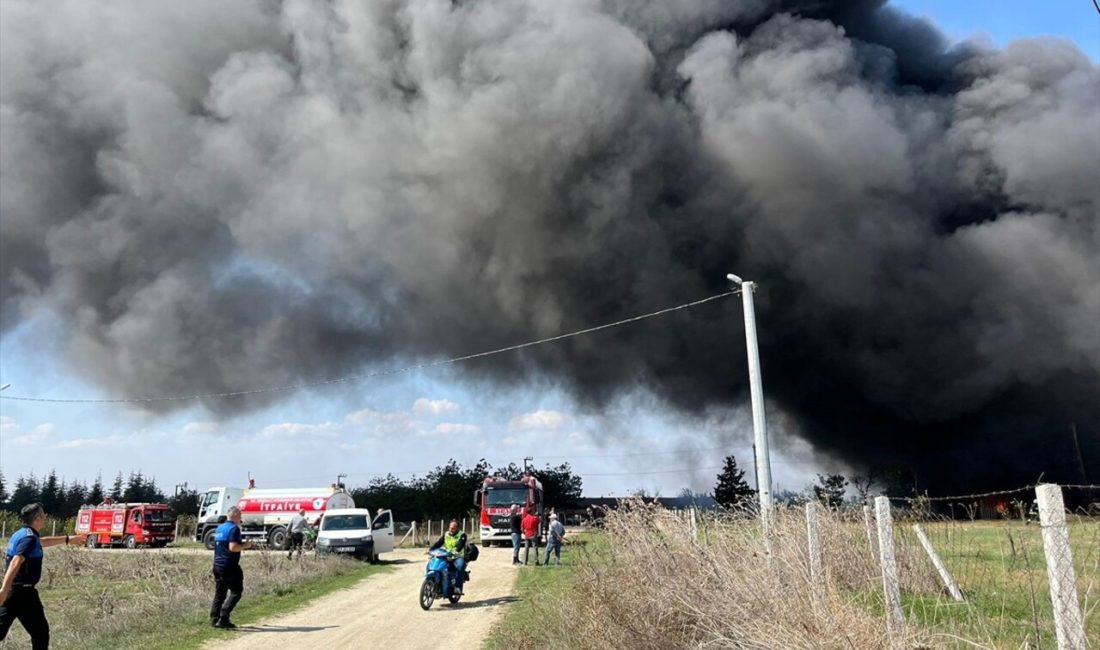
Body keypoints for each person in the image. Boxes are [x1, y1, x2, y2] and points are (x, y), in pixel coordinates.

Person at [1, 503, 85, 650]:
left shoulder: (23, 534)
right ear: (38, 518)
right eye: (44, 515)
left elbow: (41, 542)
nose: (46, 517)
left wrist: (68, 539)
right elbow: (16, 560)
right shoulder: (29, 538)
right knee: (40, 634)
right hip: (23, 593)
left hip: (13, 592)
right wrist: (3, 589)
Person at [210, 506, 255, 629]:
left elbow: (223, 546)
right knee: (236, 592)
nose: (241, 518)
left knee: (220, 593)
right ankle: (224, 617)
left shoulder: (220, 528)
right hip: (229, 565)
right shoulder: (234, 529)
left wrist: (242, 543)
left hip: (217, 565)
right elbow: (233, 547)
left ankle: (214, 619)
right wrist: (247, 545)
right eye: (240, 515)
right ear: (235, 515)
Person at [428, 520, 468, 594]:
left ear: (457, 528)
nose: (450, 530)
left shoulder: (462, 535)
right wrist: (430, 550)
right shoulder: (446, 534)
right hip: (446, 555)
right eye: (450, 528)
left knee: (460, 566)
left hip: (457, 556)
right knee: (434, 563)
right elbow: (439, 543)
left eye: (453, 528)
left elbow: (460, 545)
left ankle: (457, 587)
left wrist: (454, 551)